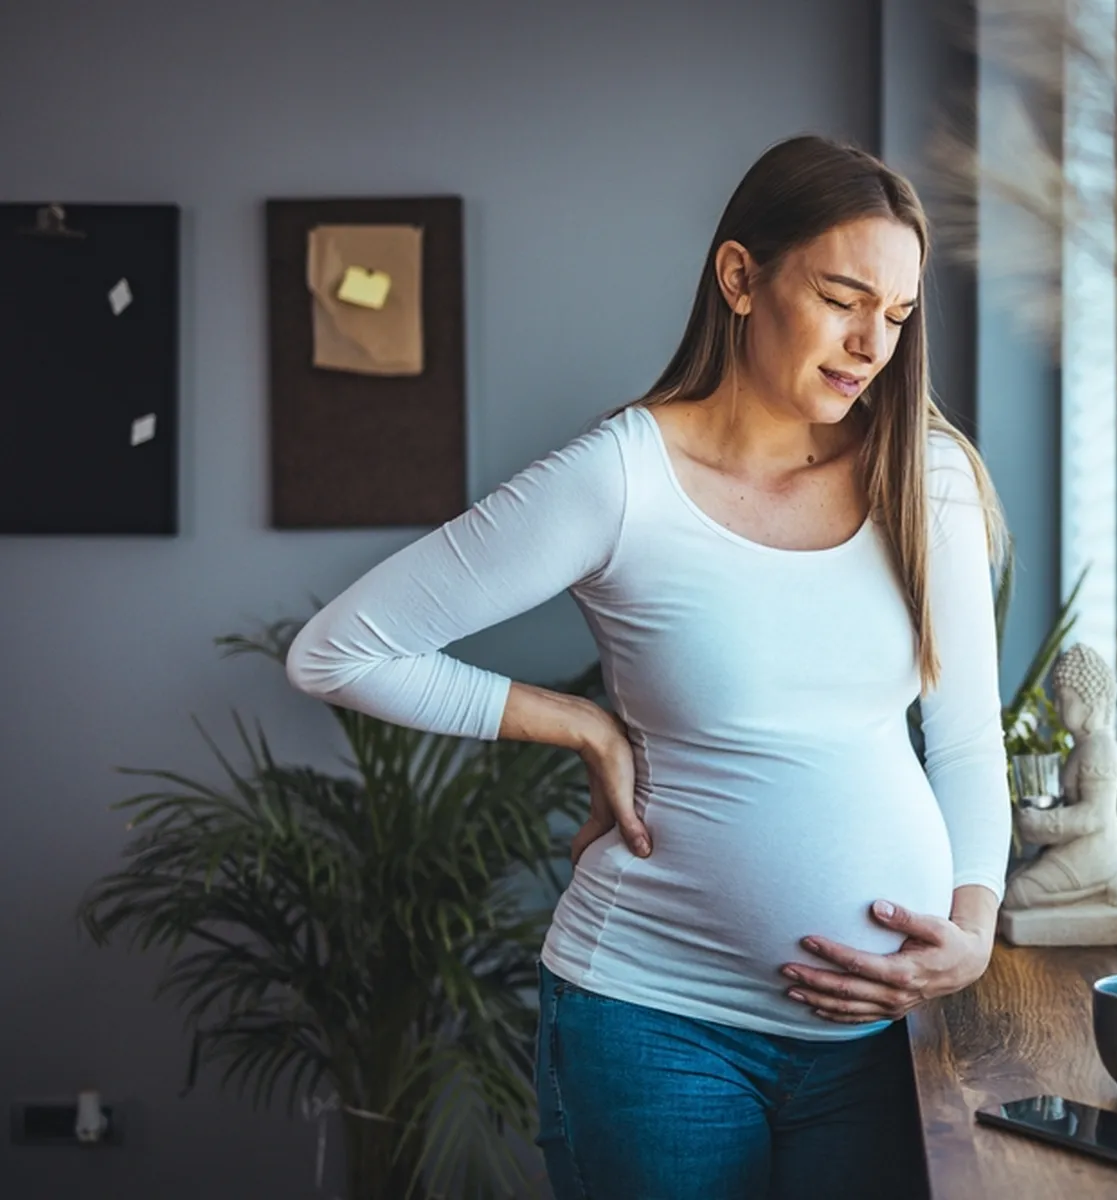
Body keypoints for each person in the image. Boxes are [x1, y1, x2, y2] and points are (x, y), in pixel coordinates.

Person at [284, 134, 1012, 1200]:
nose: (871, 345)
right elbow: (335, 650)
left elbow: (962, 736)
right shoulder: (619, 480)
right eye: (845, 297)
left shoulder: (924, 472)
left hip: (873, 1044)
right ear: (739, 278)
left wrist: (976, 931)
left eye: (897, 317)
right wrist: (577, 723)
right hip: (655, 1029)